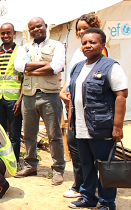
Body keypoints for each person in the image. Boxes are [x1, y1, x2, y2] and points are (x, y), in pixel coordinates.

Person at [67, 28, 128, 210]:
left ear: (103, 45)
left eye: (92, 42)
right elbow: (74, 97)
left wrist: (117, 127)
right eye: (84, 43)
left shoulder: (111, 66)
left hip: (101, 127)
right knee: (86, 164)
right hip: (80, 127)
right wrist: (71, 121)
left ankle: (107, 202)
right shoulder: (78, 67)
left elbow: (121, 96)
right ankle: (88, 198)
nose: (87, 46)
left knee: (104, 166)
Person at [14, 17, 66, 185]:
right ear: (29, 31)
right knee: (29, 133)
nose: (36, 29)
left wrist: (33, 69)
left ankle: (58, 168)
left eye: (39, 26)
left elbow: (56, 66)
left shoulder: (57, 46)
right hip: (29, 96)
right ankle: (31, 165)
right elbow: (19, 66)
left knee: (54, 134)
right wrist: (44, 64)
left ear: (45, 27)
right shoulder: (24, 48)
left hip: (50, 95)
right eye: (32, 28)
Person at [60, 14, 105, 198]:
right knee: (74, 145)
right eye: (78, 29)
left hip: (89, 108)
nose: (80, 32)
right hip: (74, 105)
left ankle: (85, 186)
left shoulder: (100, 52)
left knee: (84, 149)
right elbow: (73, 76)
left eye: (84, 27)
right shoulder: (79, 51)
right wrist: (64, 90)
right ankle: (82, 184)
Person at [0, 23, 23, 162]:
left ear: (14, 33)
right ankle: (2, 160)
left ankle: (14, 161)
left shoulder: (20, 51)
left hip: (13, 98)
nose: (5, 36)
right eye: (3, 33)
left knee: (14, 133)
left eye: (8, 33)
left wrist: (20, 99)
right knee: (0, 132)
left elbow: (24, 77)